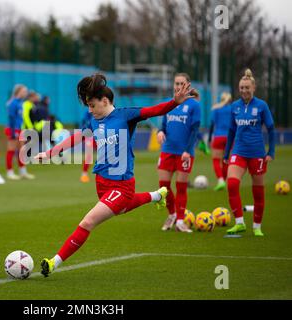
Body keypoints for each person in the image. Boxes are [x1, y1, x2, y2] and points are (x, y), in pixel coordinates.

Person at [34, 73, 194, 277]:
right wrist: (50, 153)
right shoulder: (94, 122)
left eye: (92, 105)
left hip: (122, 186)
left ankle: (53, 262)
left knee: (88, 222)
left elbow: (154, 110)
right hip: (101, 183)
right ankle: (157, 195)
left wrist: (174, 102)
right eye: (88, 106)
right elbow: (76, 138)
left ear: (105, 100)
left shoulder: (125, 115)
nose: (90, 110)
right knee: (120, 209)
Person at [224, 69, 275, 237]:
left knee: (258, 192)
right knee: (231, 184)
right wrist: (226, 154)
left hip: (257, 154)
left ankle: (257, 226)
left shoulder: (261, 106)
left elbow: (271, 129)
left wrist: (271, 152)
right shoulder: (234, 107)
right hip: (238, 151)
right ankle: (239, 223)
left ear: (254, 88)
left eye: (247, 87)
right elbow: (231, 131)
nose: (244, 90)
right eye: (241, 88)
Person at [157, 73, 201, 233]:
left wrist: (188, 150)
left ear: (188, 85)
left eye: (182, 83)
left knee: (181, 187)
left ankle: (181, 221)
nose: (178, 86)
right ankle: (172, 214)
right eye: (176, 83)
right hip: (167, 150)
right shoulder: (170, 104)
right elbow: (163, 125)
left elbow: (195, 130)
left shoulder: (194, 105)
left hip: (184, 153)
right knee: (163, 187)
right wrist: (160, 132)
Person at [4, 84, 34, 180]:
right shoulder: (13, 103)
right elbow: (11, 118)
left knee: (22, 150)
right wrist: (13, 132)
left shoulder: (20, 103)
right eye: (24, 91)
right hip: (12, 129)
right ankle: (9, 172)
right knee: (11, 150)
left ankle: (23, 172)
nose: (26, 93)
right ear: (18, 92)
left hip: (19, 128)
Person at [208, 92, 233, 191]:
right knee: (226, 160)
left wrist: (210, 138)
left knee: (215, 160)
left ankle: (220, 180)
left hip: (218, 136)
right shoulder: (232, 109)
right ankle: (224, 180)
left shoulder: (216, 109)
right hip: (230, 138)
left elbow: (211, 125)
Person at [79, 110, 96, 183]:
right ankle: (84, 174)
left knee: (105, 154)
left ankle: (104, 174)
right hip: (90, 135)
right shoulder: (88, 112)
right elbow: (84, 122)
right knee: (89, 156)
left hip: (100, 135)